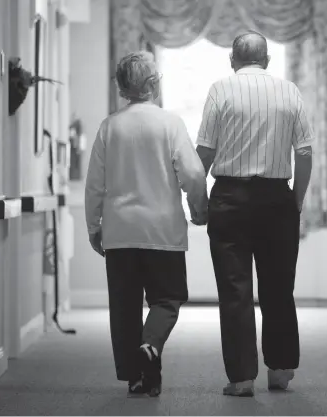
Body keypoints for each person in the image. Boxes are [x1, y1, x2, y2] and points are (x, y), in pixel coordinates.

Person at [194, 31, 314, 397]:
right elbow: (305, 153)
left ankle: (242, 378)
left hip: (230, 198)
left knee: (234, 291)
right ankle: (279, 371)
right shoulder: (289, 91)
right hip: (277, 198)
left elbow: (204, 154)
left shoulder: (220, 90)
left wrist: (198, 204)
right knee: (279, 288)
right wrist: (296, 199)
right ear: (267, 60)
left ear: (232, 59)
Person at [85, 51, 208, 397]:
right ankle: (151, 345)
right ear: (153, 84)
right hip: (162, 231)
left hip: (120, 232)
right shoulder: (170, 124)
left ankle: (137, 377)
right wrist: (199, 209)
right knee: (168, 299)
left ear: (123, 87)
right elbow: (194, 174)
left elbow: (95, 184)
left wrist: (94, 226)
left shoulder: (109, 127)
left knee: (124, 307)